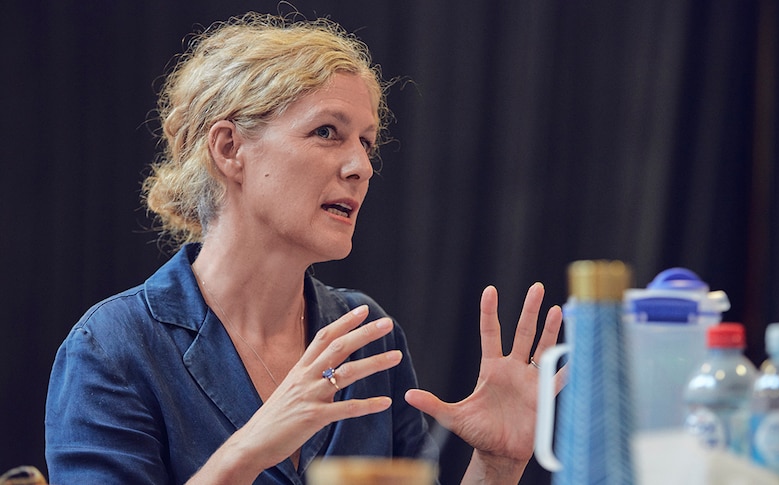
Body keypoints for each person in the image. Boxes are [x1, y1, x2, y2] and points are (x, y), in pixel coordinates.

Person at [45, 12, 563, 485]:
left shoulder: (367, 336)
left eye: (367, 142)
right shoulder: (112, 348)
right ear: (229, 149)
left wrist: (497, 464)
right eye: (327, 132)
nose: (361, 166)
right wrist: (245, 451)